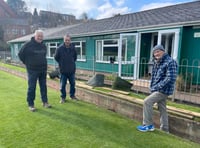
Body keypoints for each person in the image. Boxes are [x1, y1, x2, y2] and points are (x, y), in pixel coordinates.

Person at [137, 44, 178, 133]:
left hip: (164, 90)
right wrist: (152, 87)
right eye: (154, 52)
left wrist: (157, 87)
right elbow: (154, 77)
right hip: (157, 89)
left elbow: (170, 78)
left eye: (158, 51)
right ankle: (165, 129)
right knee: (162, 109)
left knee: (147, 102)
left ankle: (148, 125)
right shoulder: (157, 62)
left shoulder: (170, 62)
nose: (156, 54)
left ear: (163, 51)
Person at [18, 29, 51, 112]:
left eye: (41, 36)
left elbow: (44, 55)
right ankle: (31, 104)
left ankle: (45, 102)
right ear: (35, 36)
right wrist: (26, 63)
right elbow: (20, 54)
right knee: (32, 87)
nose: (40, 38)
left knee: (43, 87)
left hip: (43, 70)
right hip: (32, 70)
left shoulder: (43, 45)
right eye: (38, 36)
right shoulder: (28, 45)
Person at [54, 34, 78, 103]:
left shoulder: (73, 48)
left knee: (73, 84)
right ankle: (63, 97)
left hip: (71, 70)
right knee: (63, 85)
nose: (67, 41)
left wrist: (71, 63)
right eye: (66, 40)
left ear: (70, 40)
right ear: (64, 40)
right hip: (63, 71)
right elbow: (56, 57)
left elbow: (75, 58)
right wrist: (61, 63)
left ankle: (72, 96)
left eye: (68, 40)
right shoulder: (59, 48)